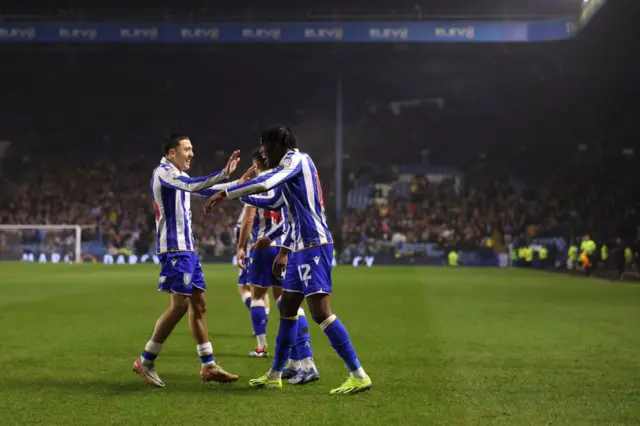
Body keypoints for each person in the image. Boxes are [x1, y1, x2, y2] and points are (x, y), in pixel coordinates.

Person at [205, 125, 371, 395]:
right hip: (298, 246)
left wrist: (227, 193)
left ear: (277, 144)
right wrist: (225, 193)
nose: (261, 151)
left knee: (320, 312)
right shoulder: (290, 169)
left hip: (313, 244)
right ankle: (275, 374)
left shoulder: (296, 160)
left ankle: (358, 373)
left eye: (264, 145)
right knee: (288, 309)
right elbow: (271, 201)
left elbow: (264, 183)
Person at [133, 134, 243, 388]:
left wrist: (238, 181)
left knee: (199, 304)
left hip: (188, 250)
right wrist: (224, 172)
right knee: (180, 305)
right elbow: (196, 186)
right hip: (174, 249)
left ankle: (208, 365)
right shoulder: (163, 172)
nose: (192, 153)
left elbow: (204, 188)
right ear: (172, 153)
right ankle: (146, 360)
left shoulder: (179, 177)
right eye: (187, 149)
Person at [239, 149, 319, 384]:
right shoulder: (287, 177)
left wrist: (241, 246)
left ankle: (263, 346)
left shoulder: (260, 183)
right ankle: (297, 361)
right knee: (286, 301)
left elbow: (248, 219)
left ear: (256, 166)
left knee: (257, 295)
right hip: (287, 245)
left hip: (265, 246)